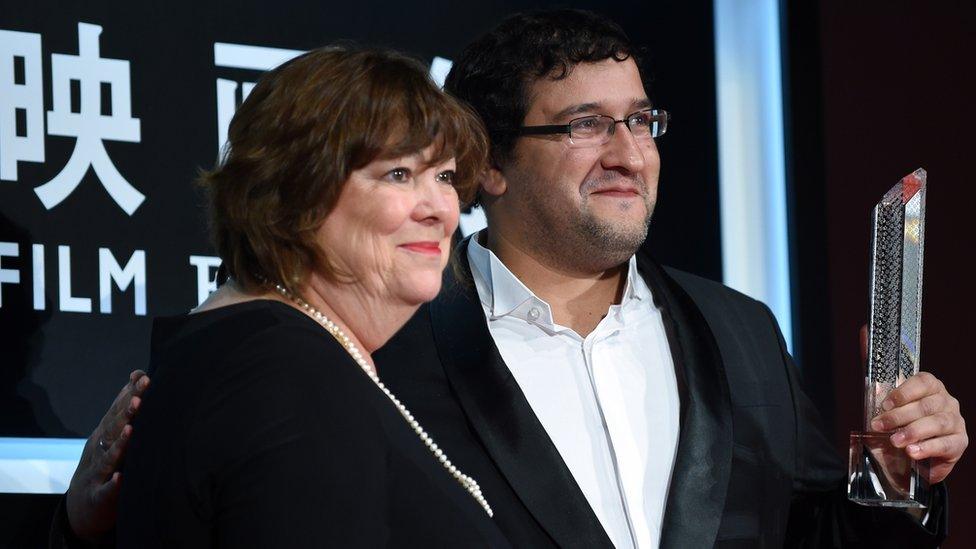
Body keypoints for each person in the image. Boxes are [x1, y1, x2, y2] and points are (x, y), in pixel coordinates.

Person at [56, 9, 968, 549]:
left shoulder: (742, 330)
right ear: (490, 166)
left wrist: (890, 484)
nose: (626, 153)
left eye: (642, 120)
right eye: (583, 124)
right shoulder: (372, 336)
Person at [57, 44, 510, 547]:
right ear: (297, 192)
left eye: (444, 177)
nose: (441, 210)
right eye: (398, 174)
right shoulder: (288, 375)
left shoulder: (260, 352)